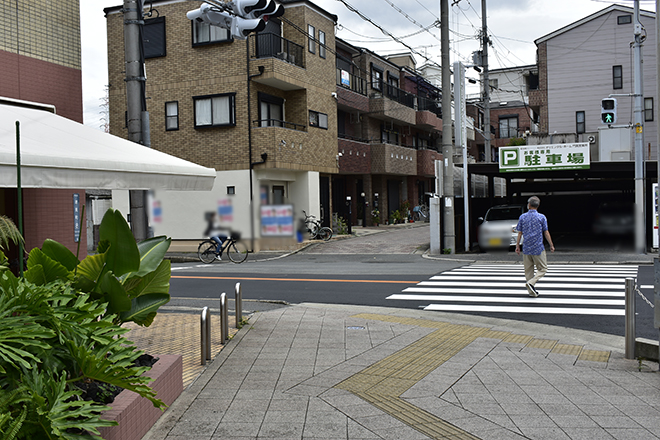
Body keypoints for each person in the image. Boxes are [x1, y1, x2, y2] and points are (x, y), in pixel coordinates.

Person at [515, 196, 555, 297]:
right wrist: (551, 245)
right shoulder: (541, 217)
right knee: (543, 269)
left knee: (528, 271)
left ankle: (531, 290)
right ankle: (532, 283)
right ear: (538, 205)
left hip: (526, 247)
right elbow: (546, 232)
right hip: (538, 247)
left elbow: (519, 233)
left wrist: (517, 246)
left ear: (529, 205)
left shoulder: (522, 217)